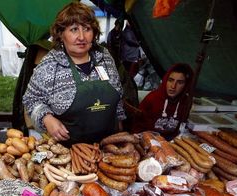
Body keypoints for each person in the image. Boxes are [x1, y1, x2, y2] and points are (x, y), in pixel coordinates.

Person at [22, 2, 125, 145]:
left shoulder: (105, 57)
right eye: (74, 29)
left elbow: (117, 94)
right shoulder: (49, 65)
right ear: (61, 34)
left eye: (87, 29)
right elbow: (31, 100)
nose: (81, 37)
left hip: (109, 148)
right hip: (71, 153)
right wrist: (46, 118)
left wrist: (120, 126)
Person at [131, 63, 194, 140]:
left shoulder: (186, 102)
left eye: (180, 82)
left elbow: (182, 127)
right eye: (170, 80)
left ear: (185, 85)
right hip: (148, 140)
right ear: (165, 80)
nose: (173, 86)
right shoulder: (152, 98)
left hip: (171, 143)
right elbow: (137, 126)